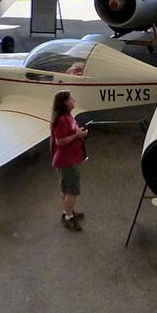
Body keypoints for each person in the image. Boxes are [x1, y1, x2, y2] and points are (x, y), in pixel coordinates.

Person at [50, 90, 88, 232]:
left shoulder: (68, 116)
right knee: (71, 191)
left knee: (67, 189)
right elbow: (60, 141)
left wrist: (79, 132)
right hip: (66, 161)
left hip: (71, 158)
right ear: (65, 103)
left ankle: (68, 211)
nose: (74, 101)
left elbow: (72, 130)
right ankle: (69, 218)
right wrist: (77, 135)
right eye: (71, 99)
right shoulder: (61, 120)